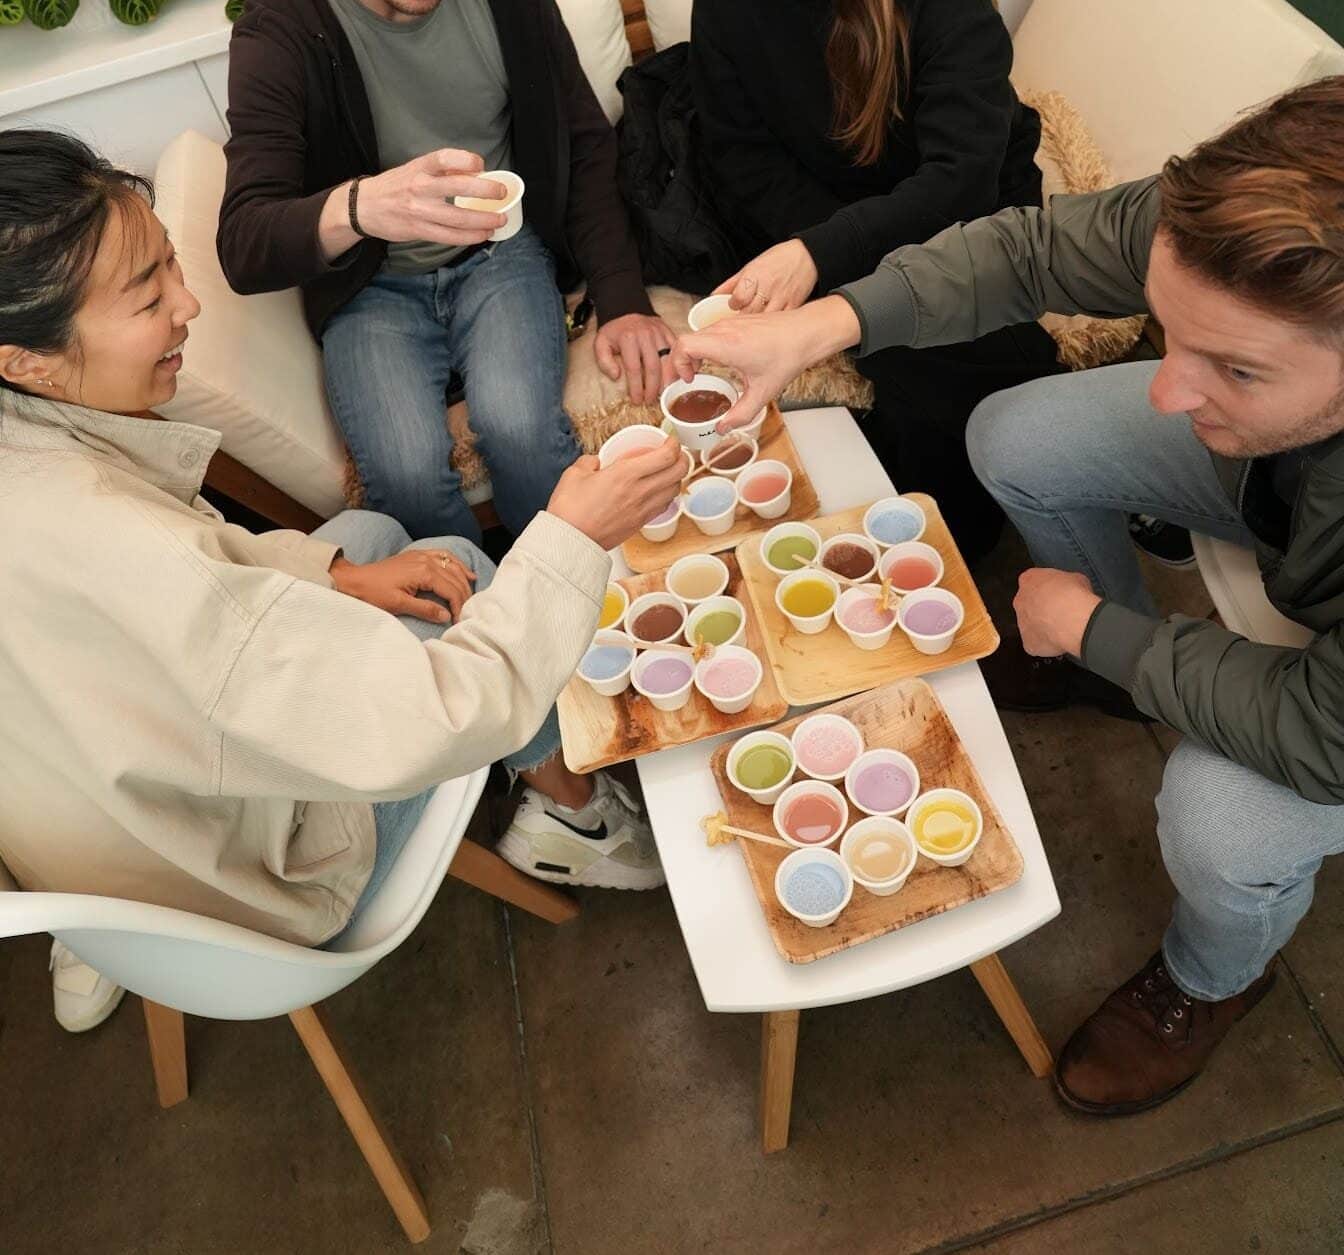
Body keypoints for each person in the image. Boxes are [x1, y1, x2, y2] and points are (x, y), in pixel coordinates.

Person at [671, 77, 1344, 1116]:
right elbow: (1027, 251)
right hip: (1293, 488)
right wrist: (817, 328)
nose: (1166, 389)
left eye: (1236, 370)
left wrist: (1101, 629)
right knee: (1015, 431)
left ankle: (1217, 976)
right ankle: (1108, 681)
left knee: (1218, 820)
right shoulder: (1248, 220)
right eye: (1169, 330)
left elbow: (1323, 727)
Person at [0, 131, 688, 956]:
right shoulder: (137, 555)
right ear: (28, 361)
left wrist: (339, 577)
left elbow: (208, 595)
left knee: (367, 541)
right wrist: (573, 538)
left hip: (102, 824)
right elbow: (440, 713)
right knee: (459, 572)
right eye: (149, 300)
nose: (188, 306)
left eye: (170, 268)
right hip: (252, 888)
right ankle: (573, 815)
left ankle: (81, 953)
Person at [217, 0, 678, 547]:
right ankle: (483, 622)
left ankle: (593, 605)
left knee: (520, 427)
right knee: (404, 474)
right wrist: (364, 206)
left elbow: (582, 143)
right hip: (370, 290)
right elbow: (243, 243)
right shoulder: (278, 31)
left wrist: (622, 297)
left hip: (500, 254)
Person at [690, 0, 1064, 562]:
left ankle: (960, 548)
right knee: (902, 338)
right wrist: (821, 247)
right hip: (823, 215)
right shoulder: (727, 14)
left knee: (951, 348)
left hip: (966, 216)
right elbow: (744, 157)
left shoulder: (947, 14)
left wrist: (824, 253)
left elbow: (961, 183)